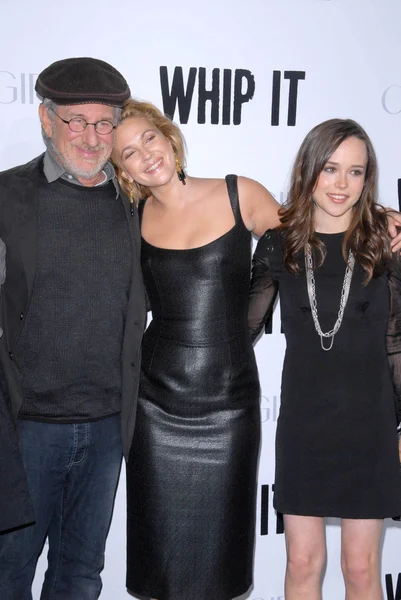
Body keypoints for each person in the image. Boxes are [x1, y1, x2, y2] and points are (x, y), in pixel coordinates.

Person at [111, 98, 282, 600]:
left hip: (228, 407)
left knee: (219, 570)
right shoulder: (133, 218)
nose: (145, 154)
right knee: (161, 568)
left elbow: (291, 246)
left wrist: (237, 335)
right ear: (123, 171)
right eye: (128, 154)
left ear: (169, 137)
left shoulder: (238, 193)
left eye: (148, 138)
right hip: (156, 407)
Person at [0, 58, 146, 600]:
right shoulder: (6, 197)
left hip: (109, 427)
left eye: (104, 123)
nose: (91, 136)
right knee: (9, 573)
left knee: (81, 576)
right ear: (46, 118)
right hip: (25, 428)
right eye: (75, 121)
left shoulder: (137, 204)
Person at [248, 118, 401, 600]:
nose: (341, 184)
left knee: (361, 568)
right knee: (303, 562)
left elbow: (398, 341)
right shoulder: (281, 242)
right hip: (305, 425)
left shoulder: (386, 241)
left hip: (370, 425)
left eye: (355, 172)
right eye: (330, 169)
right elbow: (242, 326)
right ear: (309, 169)